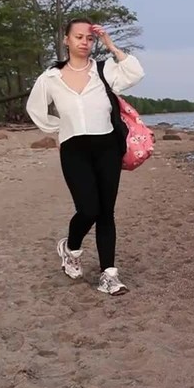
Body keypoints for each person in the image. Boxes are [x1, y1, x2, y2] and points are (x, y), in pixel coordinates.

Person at [25, 17, 145, 295]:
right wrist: (59, 129)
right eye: (78, 37)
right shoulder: (50, 78)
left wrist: (110, 45)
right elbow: (36, 110)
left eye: (89, 38)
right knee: (88, 209)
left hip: (107, 147)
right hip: (74, 149)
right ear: (66, 40)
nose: (84, 42)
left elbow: (135, 73)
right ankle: (71, 248)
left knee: (106, 212)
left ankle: (109, 275)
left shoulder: (104, 70)